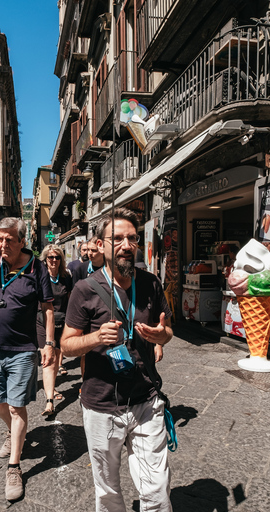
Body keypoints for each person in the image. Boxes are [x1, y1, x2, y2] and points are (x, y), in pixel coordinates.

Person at [61, 208, 174, 511]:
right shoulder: (84, 290)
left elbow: (168, 332)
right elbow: (67, 345)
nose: (126, 244)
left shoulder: (150, 283)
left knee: (157, 490)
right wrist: (97, 338)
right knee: (108, 490)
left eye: (132, 238)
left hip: (145, 399)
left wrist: (161, 336)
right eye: (118, 238)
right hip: (101, 405)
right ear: (100, 245)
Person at [0, 217, 54, 501]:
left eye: (8, 240)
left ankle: (14, 466)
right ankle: (13, 434)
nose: (2, 245)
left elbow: (48, 309)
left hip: (22, 350)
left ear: (22, 241)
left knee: (17, 407)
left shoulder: (36, 267)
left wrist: (49, 343)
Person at [36, 244, 73, 416]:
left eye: (57, 257)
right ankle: (49, 401)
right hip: (43, 321)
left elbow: (71, 299)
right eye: (50, 257)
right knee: (48, 358)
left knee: (57, 355)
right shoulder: (39, 276)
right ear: (45, 259)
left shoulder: (66, 277)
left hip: (62, 321)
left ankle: (52, 387)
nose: (54, 260)